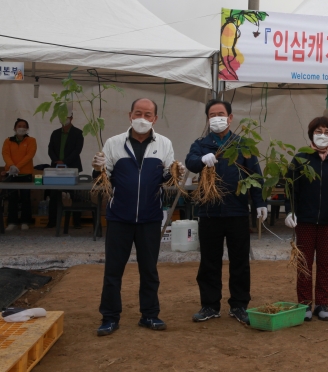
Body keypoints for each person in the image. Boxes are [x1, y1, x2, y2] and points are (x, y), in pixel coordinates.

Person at [92, 98, 185, 337]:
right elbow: (104, 178)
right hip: (119, 217)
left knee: (149, 270)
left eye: (148, 114)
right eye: (138, 113)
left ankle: (150, 315)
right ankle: (110, 318)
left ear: (155, 118)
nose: (142, 118)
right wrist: (97, 167)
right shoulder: (113, 143)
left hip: (150, 217)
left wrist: (175, 173)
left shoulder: (164, 144)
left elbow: (166, 178)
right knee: (113, 270)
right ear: (129, 115)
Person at [185, 100, 268, 326]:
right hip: (209, 211)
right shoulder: (201, 144)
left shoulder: (242, 144)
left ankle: (239, 305)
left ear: (231, 118)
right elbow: (190, 162)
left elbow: (255, 175)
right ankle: (210, 305)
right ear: (207, 119)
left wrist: (260, 202)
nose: (217, 118)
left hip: (237, 211)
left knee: (240, 261)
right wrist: (201, 160)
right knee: (209, 261)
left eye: (221, 114)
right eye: (212, 115)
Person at [284, 116, 328, 322]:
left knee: (324, 263)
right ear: (311, 133)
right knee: (304, 263)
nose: (323, 135)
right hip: (304, 220)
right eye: (319, 131)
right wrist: (290, 211)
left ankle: (322, 303)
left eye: (327, 132)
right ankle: (304, 303)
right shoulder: (300, 158)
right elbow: (291, 189)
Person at [47, 112, 85, 229]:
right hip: (56, 168)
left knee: (75, 195)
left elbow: (77, 150)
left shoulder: (78, 133)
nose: (64, 119)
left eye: (66, 117)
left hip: (72, 167)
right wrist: (56, 161)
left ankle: (77, 222)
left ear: (71, 118)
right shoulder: (55, 133)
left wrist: (65, 161)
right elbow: (50, 149)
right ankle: (52, 221)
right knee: (54, 195)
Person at [2, 119, 37, 231]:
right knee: (12, 198)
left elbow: (30, 155)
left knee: (25, 198)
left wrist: (18, 167)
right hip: (11, 173)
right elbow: (5, 154)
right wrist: (11, 166)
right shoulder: (8, 141)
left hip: (25, 173)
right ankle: (12, 221)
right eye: (19, 126)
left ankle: (25, 221)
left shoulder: (31, 140)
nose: (21, 128)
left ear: (27, 129)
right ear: (14, 128)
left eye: (24, 126)